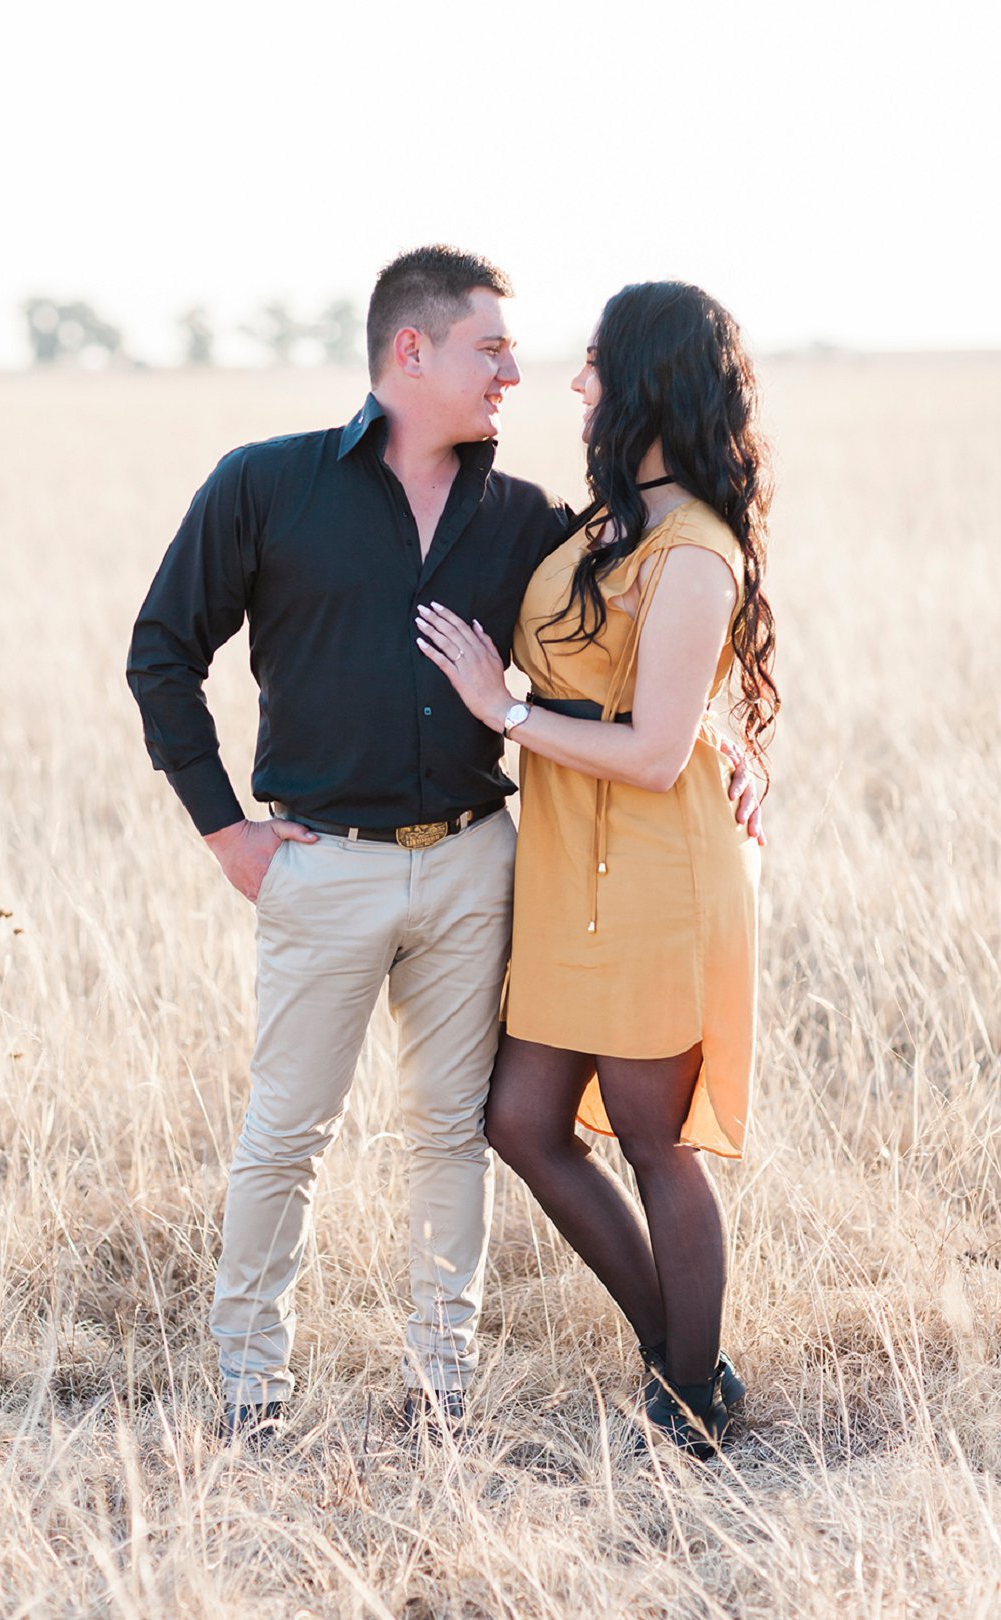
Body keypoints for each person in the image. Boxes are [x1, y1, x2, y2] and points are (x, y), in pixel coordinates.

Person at [127, 251, 763, 1443]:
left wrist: (731, 753)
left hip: (484, 865)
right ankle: (252, 1386)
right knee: (289, 1137)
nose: (519, 375)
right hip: (330, 868)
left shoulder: (523, 518)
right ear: (409, 353)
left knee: (458, 1136)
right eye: (491, 350)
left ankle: (448, 1384)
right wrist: (226, 830)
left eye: (532, 356)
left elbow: (650, 659)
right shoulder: (265, 487)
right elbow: (161, 652)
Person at [415, 281, 777, 1458]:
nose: (576, 387)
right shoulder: (607, 525)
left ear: (653, 385)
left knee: (648, 1131)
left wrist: (501, 710)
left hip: (656, 872)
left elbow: (659, 749)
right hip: (574, 868)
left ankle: (687, 1405)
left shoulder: (694, 552)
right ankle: (685, 1357)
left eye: (598, 369)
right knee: (522, 1118)